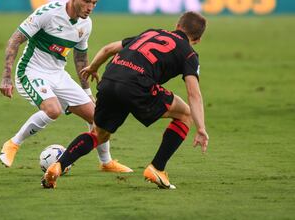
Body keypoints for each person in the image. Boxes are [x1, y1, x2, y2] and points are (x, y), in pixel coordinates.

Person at [42, 11, 209, 189]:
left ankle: (58, 165)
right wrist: (200, 128)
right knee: (184, 114)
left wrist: (93, 67)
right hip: (137, 85)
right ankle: (157, 168)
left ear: (177, 26)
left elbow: (108, 49)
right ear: (197, 39)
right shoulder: (189, 54)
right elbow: (194, 94)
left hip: (110, 79)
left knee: (99, 134)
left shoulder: (151, 32)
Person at [0, 0, 132, 173]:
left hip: (58, 75)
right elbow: (14, 40)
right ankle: (13, 144)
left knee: (98, 118)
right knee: (53, 110)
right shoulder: (48, 13)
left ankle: (106, 162)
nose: (90, 7)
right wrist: (6, 77)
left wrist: (86, 91)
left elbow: (80, 58)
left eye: (94, 3)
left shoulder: (86, 25)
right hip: (31, 71)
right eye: (86, 1)